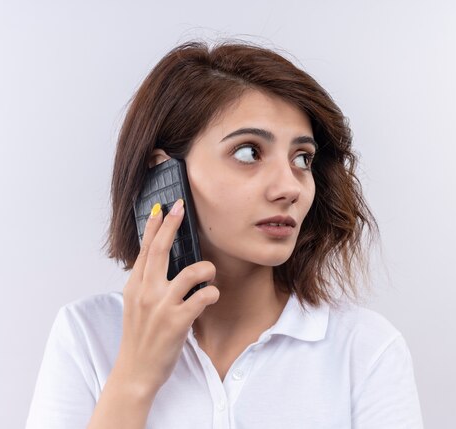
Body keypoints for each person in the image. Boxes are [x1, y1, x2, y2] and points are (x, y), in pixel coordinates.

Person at [25, 39, 424, 429]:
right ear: (163, 174)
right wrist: (134, 376)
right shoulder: (88, 335)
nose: (290, 187)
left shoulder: (364, 349)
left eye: (302, 158)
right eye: (249, 152)